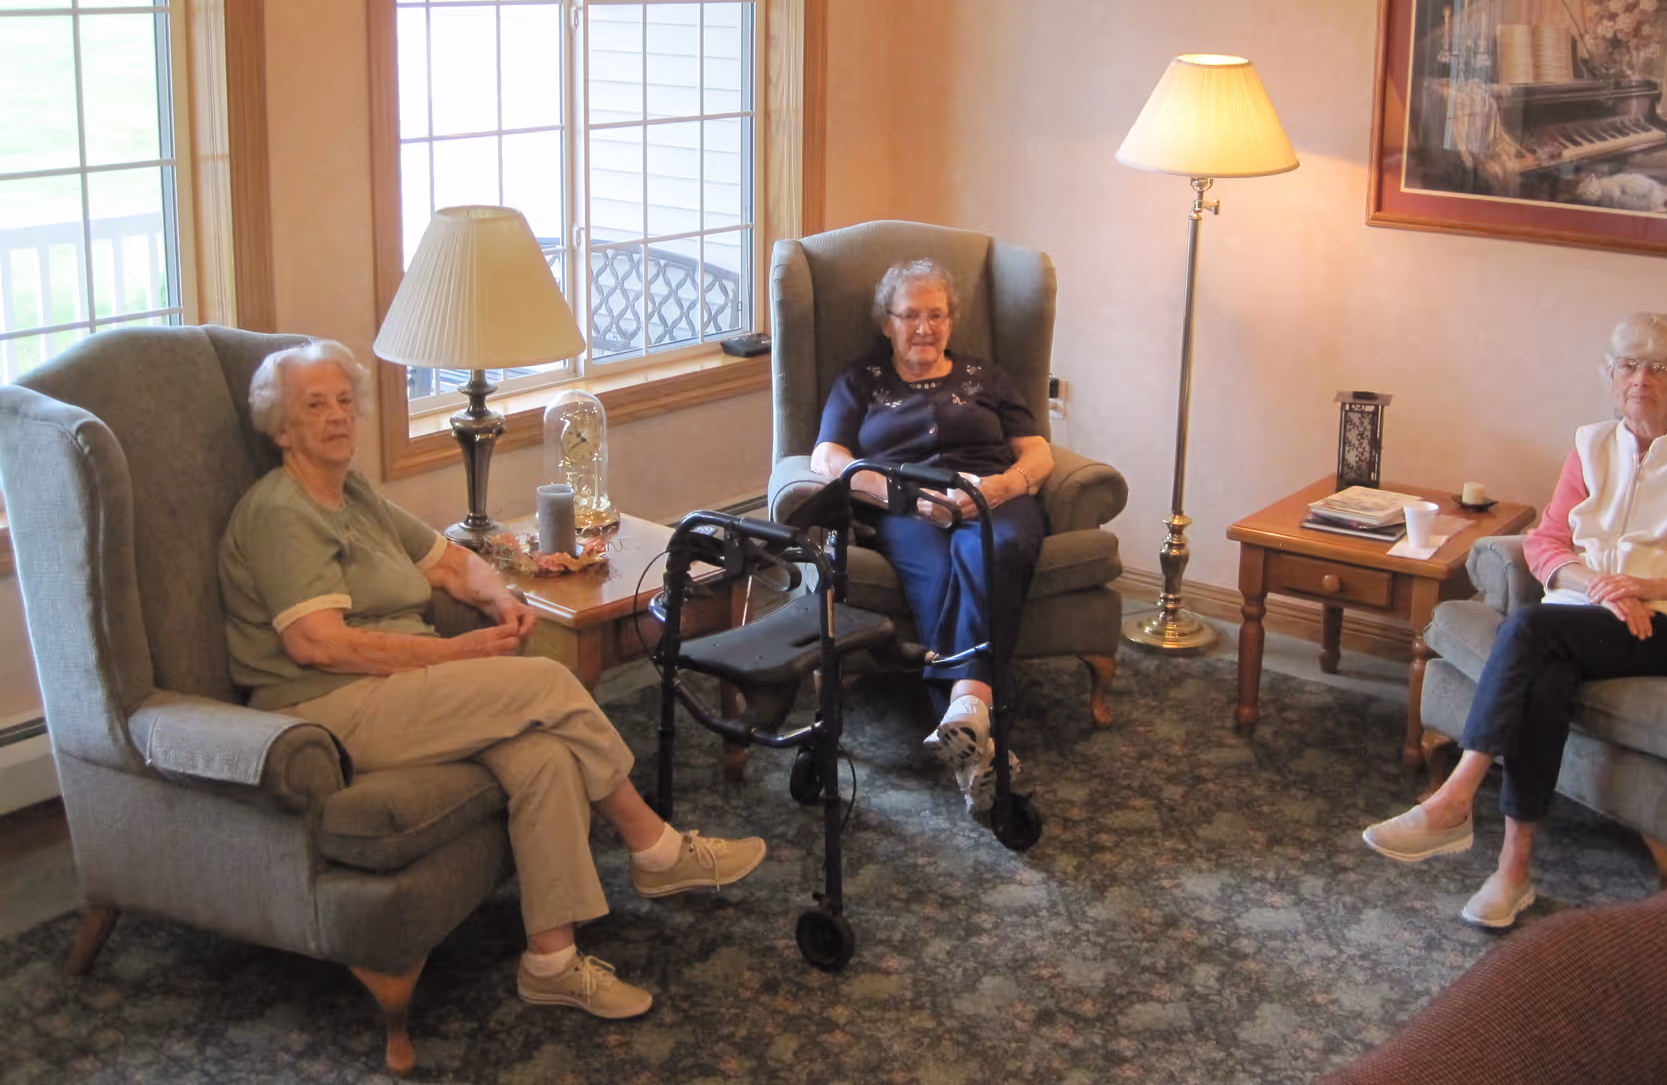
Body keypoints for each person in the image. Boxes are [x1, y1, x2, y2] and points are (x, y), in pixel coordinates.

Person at [218, 340, 766, 1020]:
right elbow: (316, 646)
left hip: (401, 690)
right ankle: (653, 846)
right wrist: (462, 654)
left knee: (541, 753)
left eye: (343, 401)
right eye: (313, 405)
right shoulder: (280, 511)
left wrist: (504, 601)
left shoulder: (351, 493)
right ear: (281, 427)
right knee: (545, 682)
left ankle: (552, 961)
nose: (337, 416)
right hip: (327, 709)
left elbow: (449, 561)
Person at [1362, 312, 1667, 928]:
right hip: (1582, 612)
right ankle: (1513, 871)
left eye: (1658, 368)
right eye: (1627, 366)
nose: (1640, 381)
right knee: (1545, 675)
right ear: (1609, 375)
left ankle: (1457, 796)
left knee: (1526, 631)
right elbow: (1547, 543)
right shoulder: (1590, 443)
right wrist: (1595, 584)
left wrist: (1647, 586)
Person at [808, 258, 1053, 808]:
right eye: (910, 315)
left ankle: (967, 706)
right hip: (905, 507)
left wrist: (996, 491)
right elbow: (829, 455)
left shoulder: (987, 377)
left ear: (952, 320)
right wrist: (900, 496)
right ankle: (978, 748)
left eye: (936, 315)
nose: (924, 327)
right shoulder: (861, 380)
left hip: (994, 495)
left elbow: (1037, 452)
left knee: (994, 547)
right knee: (940, 574)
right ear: (886, 321)